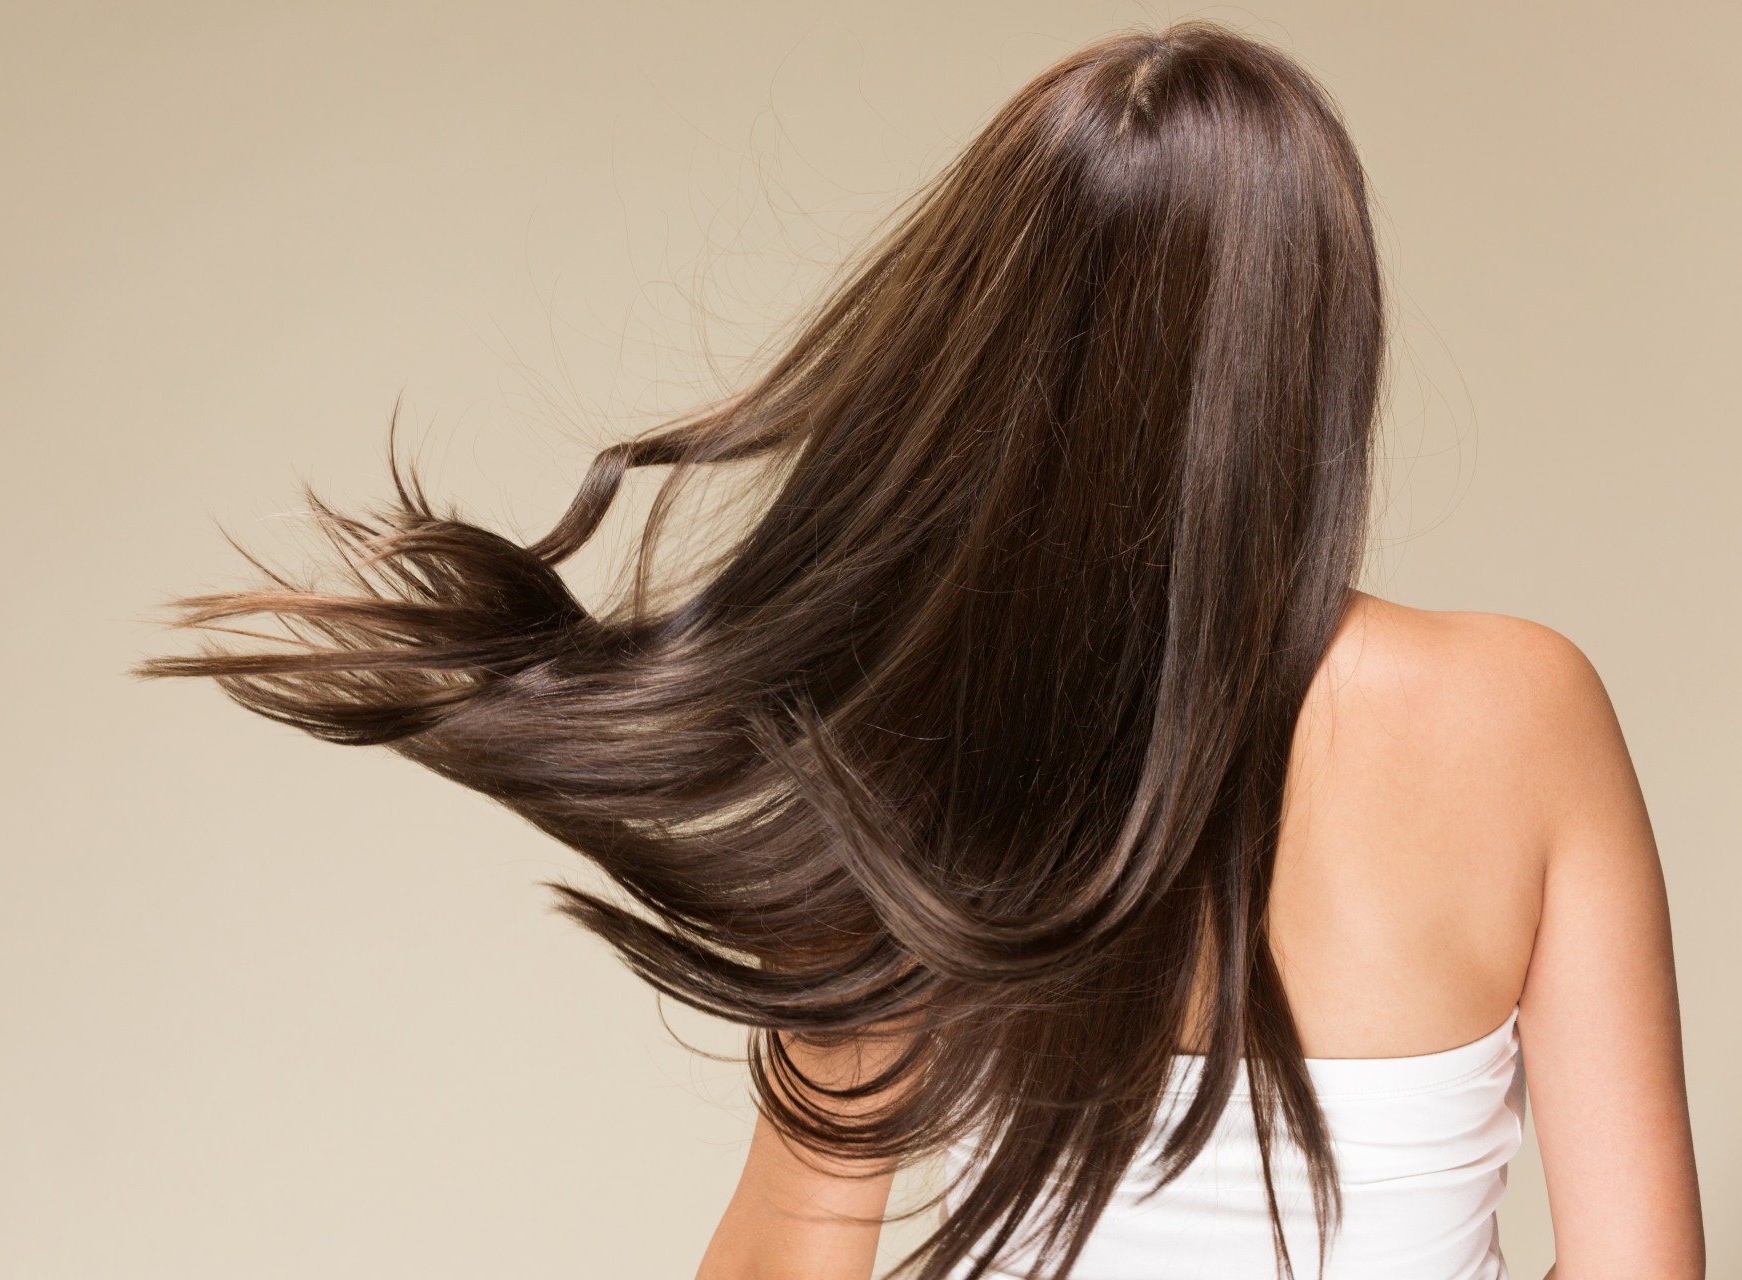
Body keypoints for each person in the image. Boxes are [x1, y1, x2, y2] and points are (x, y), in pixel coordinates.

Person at [133, 19, 1703, 1280]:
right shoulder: (1521, 706)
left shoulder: (930, 740)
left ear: (1003, 341)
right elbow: (1643, 1261)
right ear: (1323, 346)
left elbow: (792, 1252)